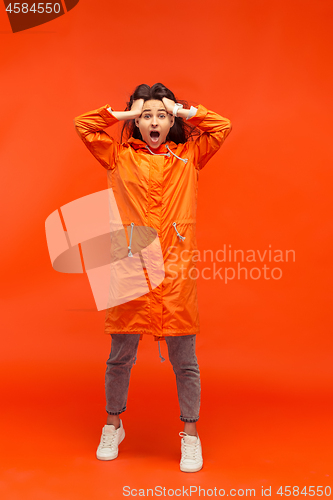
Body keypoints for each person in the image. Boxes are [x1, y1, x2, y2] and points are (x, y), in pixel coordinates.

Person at [74, 83, 232, 472]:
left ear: (172, 120)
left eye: (161, 115)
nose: (154, 121)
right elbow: (84, 125)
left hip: (175, 270)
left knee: (185, 359)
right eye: (146, 116)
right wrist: (126, 114)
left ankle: (190, 435)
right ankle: (113, 424)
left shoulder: (189, 156)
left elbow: (222, 126)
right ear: (137, 123)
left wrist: (184, 110)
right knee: (120, 356)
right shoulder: (118, 156)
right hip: (130, 268)